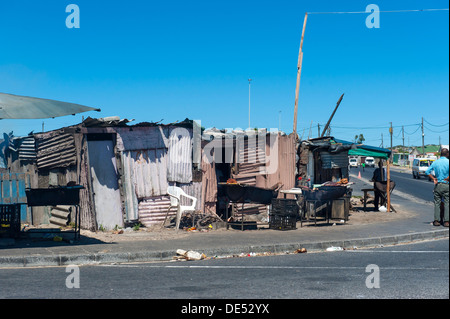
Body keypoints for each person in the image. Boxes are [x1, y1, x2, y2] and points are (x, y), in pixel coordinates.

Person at [426, 148, 449, 227]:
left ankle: (437, 221)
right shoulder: (448, 162)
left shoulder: (436, 162)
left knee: (437, 203)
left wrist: (433, 179)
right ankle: (446, 221)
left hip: (438, 184)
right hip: (446, 185)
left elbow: (427, 172)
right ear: (447, 154)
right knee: (447, 203)